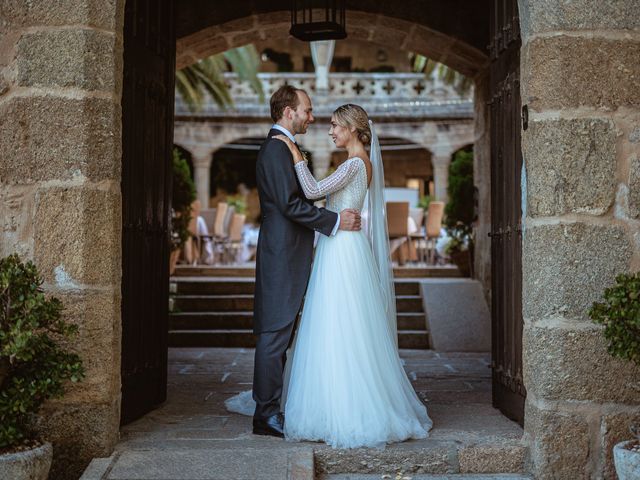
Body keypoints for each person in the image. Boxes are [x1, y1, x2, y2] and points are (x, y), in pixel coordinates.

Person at [274, 103, 432, 448]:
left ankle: (344, 407)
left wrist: (295, 153)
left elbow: (314, 191)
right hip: (344, 243)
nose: (330, 131)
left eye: (334, 126)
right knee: (340, 322)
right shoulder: (360, 164)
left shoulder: (354, 164)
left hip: (343, 250)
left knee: (340, 322)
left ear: (352, 129)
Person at [251, 86, 362, 438]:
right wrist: (332, 221)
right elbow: (287, 204)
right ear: (289, 112)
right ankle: (265, 414)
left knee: (281, 333)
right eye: (308, 111)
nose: (312, 118)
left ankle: (273, 406)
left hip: (291, 252)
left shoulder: (287, 148)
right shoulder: (275, 149)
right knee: (273, 333)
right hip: (281, 255)